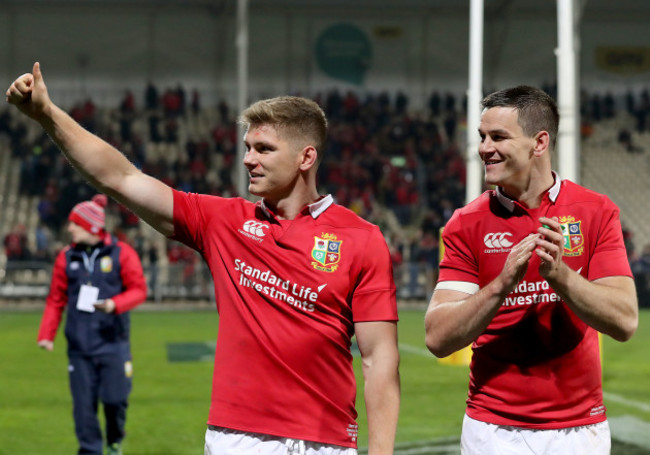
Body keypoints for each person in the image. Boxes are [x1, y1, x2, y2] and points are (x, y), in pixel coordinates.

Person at [7, 62, 400, 455]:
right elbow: (122, 178)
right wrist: (46, 114)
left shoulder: (361, 239)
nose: (249, 159)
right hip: (235, 438)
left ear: (306, 157)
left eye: (264, 149)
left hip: (324, 442)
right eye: (247, 147)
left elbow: (378, 357)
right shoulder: (222, 222)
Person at [424, 85, 638, 455]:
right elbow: (438, 338)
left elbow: (624, 322)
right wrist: (501, 284)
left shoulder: (596, 211)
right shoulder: (466, 223)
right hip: (492, 430)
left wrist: (562, 277)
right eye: (482, 137)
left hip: (580, 431)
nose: (484, 148)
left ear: (539, 143)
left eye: (498, 137)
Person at [36, 194, 147, 455]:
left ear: (90, 226)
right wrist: (46, 335)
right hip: (80, 347)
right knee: (84, 408)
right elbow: (55, 299)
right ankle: (90, 451)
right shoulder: (66, 257)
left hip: (113, 344)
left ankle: (114, 439)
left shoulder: (122, 253)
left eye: (74, 223)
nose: (69, 228)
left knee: (115, 400)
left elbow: (139, 290)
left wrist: (114, 305)